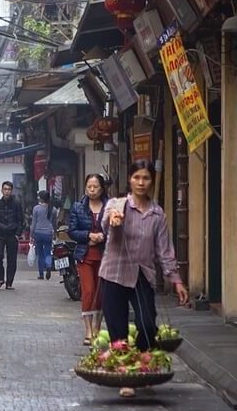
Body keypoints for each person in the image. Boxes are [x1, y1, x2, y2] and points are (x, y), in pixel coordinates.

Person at [101, 159, 190, 398]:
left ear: (151, 181)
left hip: (142, 275)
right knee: (117, 331)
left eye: (146, 178)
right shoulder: (117, 204)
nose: (141, 182)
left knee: (147, 324)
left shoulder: (157, 213)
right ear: (130, 180)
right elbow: (105, 226)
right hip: (114, 274)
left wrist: (176, 280)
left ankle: (142, 365)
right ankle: (126, 379)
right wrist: (113, 219)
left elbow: (164, 250)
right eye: (137, 177)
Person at [68, 174, 109, 345]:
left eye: (96, 187)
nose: (92, 190)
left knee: (101, 294)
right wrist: (88, 235)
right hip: (85, 255)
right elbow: (72, 230)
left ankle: (98, 328)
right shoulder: (78, 207)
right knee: (88, 291)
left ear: (102, 188)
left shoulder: (109, 207)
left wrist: (102, 237)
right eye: (89, 187)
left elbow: (117, 229)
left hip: (105, 256)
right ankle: (88, 330)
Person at [0, 181, 23, 290]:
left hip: (12, 235)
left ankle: (9, 282)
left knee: (12, 260)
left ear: (11, 191)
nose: (7, 191)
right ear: (2, 190)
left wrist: (18, 234)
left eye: (9, 189)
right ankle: (0, 278)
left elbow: (20, 220)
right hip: (1, 234)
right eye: (5, 189)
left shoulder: (16, 203)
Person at [30, 190, 54, 280]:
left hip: (38, 232)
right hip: (48, 233)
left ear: (41, 198)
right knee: (48, 252)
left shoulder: (36, 208)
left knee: (40, 254)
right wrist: (54, 232)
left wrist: (31, 235)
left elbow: (34, 223)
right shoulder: (53, 209)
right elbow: (54, 223)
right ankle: (48, 266)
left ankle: (41, 274)